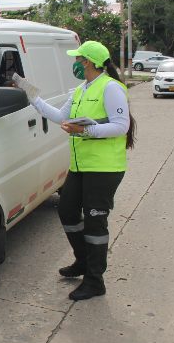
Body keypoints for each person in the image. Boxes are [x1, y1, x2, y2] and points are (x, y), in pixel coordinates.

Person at [12, 39, 134, 300]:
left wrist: (85, 130)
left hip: (104, 168)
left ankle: (95, 279)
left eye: (78, 59)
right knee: (67, 210)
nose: (75, 63)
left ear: (88, 61)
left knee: (95, 222)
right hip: (81, 165)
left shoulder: (110, 88)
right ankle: (82, 261)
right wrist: (31, 96)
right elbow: (60, 116)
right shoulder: (80, 90)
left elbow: (121, 125)